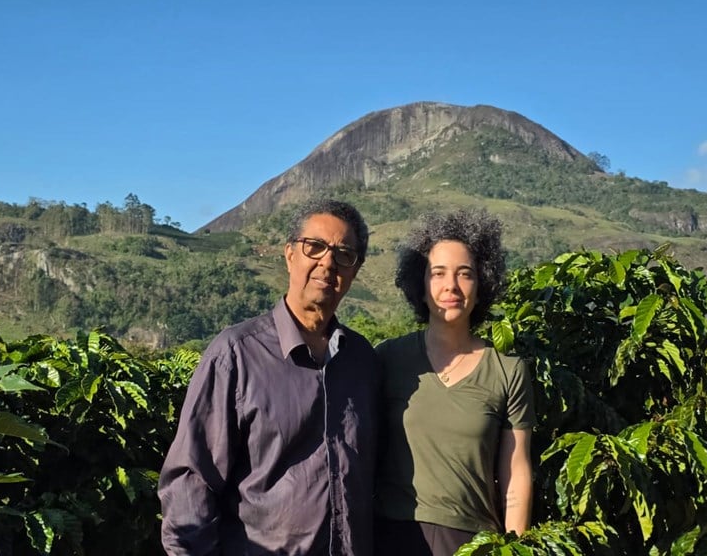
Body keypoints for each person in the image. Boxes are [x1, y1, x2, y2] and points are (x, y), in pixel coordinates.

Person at [158, 198, 380, 555]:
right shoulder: (237, 354)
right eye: (315, 247)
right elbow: (192, 480)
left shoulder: (362, 361)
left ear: (355, 270)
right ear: (290, 254)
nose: (327, 262)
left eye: (343, 254)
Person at [373, 209, 536, 556]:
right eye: (438, 274)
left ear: (482, 285)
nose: (451, 286)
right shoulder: (388, 359)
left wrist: (514, 547)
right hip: (393, 535)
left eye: (465, 274)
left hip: (473, 541)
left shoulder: (508, 371)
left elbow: (516, 475)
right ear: (420, 284)